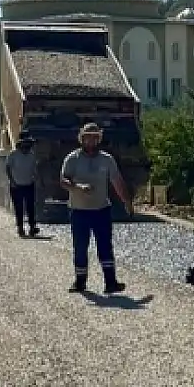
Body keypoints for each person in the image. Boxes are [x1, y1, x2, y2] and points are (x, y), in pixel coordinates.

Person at [59, 122, 132, 294]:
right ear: (81, 138)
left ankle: (110, 282)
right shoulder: (72, 158)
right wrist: (78, 187)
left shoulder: (107, 159)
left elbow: (117, 182)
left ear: (99, 139)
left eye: (94, 137)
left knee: (105, 246)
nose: (91, 140)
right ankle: (80, 282)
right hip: (79, 211)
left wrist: (127, 201)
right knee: (80, 247)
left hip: (101, 210)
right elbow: (63, 181)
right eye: (87, 137)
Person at [6, 134, 41, 238]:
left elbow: (35, 170)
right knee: (19, 208)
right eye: (25, 145)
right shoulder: (13, 154)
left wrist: (37, 180)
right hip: (16, 185)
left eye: (29, 145)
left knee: (31, 207)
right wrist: (11, 181)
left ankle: (32, 227)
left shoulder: (31, 155)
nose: (27, 148)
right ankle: (20, 227)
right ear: (20, 145)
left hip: (29, 184)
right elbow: (8, 168)